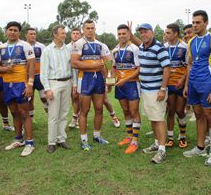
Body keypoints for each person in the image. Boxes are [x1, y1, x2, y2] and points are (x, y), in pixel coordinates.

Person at [183, 10, 211, 167]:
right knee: (199, 114)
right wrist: (187, 84)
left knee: (210, 116)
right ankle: (200, 147)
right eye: (193, 22)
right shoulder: (191, 41)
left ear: (206, 22)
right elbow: (191, 63)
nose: (194, 25)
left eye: (198, 22)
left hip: (208, 83)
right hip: (194, 83)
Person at [129, 22, 171, 164]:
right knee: (153, 118)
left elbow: (167, 69)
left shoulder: (159, 47)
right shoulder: (142, 45)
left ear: (152, 32)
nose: (144, 34)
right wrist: (130, 34)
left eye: (146, 31)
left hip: (156, 90)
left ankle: (162, 150)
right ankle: (156, 143)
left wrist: (163, 89)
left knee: (159, 119)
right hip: (146, 90)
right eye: (141, 32)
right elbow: (138, 41)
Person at [0, 21, 35, 157]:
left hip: (21, 84)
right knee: (14, 113)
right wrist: (5, 69)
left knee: (25, 113)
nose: (12, 32)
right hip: (7, 84)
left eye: (15, 30)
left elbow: (31, 66)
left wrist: (29, 84)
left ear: (19, 32)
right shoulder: (1, 47)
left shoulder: (25, 45)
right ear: (5, 31)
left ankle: (30, 143)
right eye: (10, 29)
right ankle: (18, 139)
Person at [71, 19, 112, 151]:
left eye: (92, 28)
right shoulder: (79, 43)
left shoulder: (102, 45)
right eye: (87, 28)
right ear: (83, 29)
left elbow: (108, 64)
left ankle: (97, 136)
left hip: (99, 79)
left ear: (95, 29)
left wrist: (109, 79)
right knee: (85, 110)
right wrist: (93, 65)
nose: (90, 30)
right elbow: (74, 63)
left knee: (99, 109)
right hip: (85, 79)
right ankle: (84, 140)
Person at [41, 25, 72, 153]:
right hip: (54, 83)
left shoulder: (68, 49)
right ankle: (51, 142)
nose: (64, 35)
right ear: (55, 34)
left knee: (64, 113)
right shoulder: (47, 50)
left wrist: (74, 84)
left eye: (65, 33)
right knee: (53, 115)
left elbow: (72, 68)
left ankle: (61, 139)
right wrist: (47, 89)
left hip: (67, 82)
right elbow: (43, 72)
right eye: (62, 33)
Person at [112, 24, 140, 154]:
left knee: (134, 111)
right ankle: (129, 136)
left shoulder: (134, 49)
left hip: (132, 84)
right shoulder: (115, 50)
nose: (122, 36)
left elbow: (139, 69)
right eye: (119, 34)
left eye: (124, 33)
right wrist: (111, 80)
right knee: (125, 110)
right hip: (120, 84)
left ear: (129, 34)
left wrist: (126, 79)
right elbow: (113, 67)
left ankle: (135, 141)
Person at [163, 23, 188, 148]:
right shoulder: (164, 47)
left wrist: (183, 80)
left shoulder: (184, 47)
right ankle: (170, 137)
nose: (165, 35)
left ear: (175, 34)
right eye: (165, 33)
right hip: (168, 84)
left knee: (179, 110)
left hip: (180, 84)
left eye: (168, 33)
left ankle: (183, 136)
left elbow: (189, 66)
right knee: (171, 111)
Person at [25, 27, 48, 118]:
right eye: (31, 34)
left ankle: (51, 117)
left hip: (40, 76)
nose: (33, 35)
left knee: (44, 98)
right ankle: (30, 118)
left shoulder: (41, 46)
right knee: (29, 99)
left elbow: (46, 61)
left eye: (34, 34)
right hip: (27, 77)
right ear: (26, 35)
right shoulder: (23, 45)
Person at [67, 28, 82, 129]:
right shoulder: (67, 47)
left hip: (82, 75)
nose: (75, 35)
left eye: (77, 33)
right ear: (71, 35)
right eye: (73, 33)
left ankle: (76, 118)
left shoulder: (83, 46)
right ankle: (76, 117)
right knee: (74, 97)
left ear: (80, 35)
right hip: (70, 77)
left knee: (80, 98)